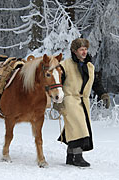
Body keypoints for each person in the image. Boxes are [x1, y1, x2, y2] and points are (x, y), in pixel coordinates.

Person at [54, 38, 95, 167]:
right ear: (74, 51)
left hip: (83, 101)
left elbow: (96, 82)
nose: (84, 52)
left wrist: (103, 93)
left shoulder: (89, 66)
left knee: (74, 127)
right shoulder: (65, 65)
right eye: (81, 49)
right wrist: (57, 101)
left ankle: (70, 155)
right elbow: (57, 83)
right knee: (79, 126)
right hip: (69, 98)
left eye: (85, 49)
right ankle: (78, 157)